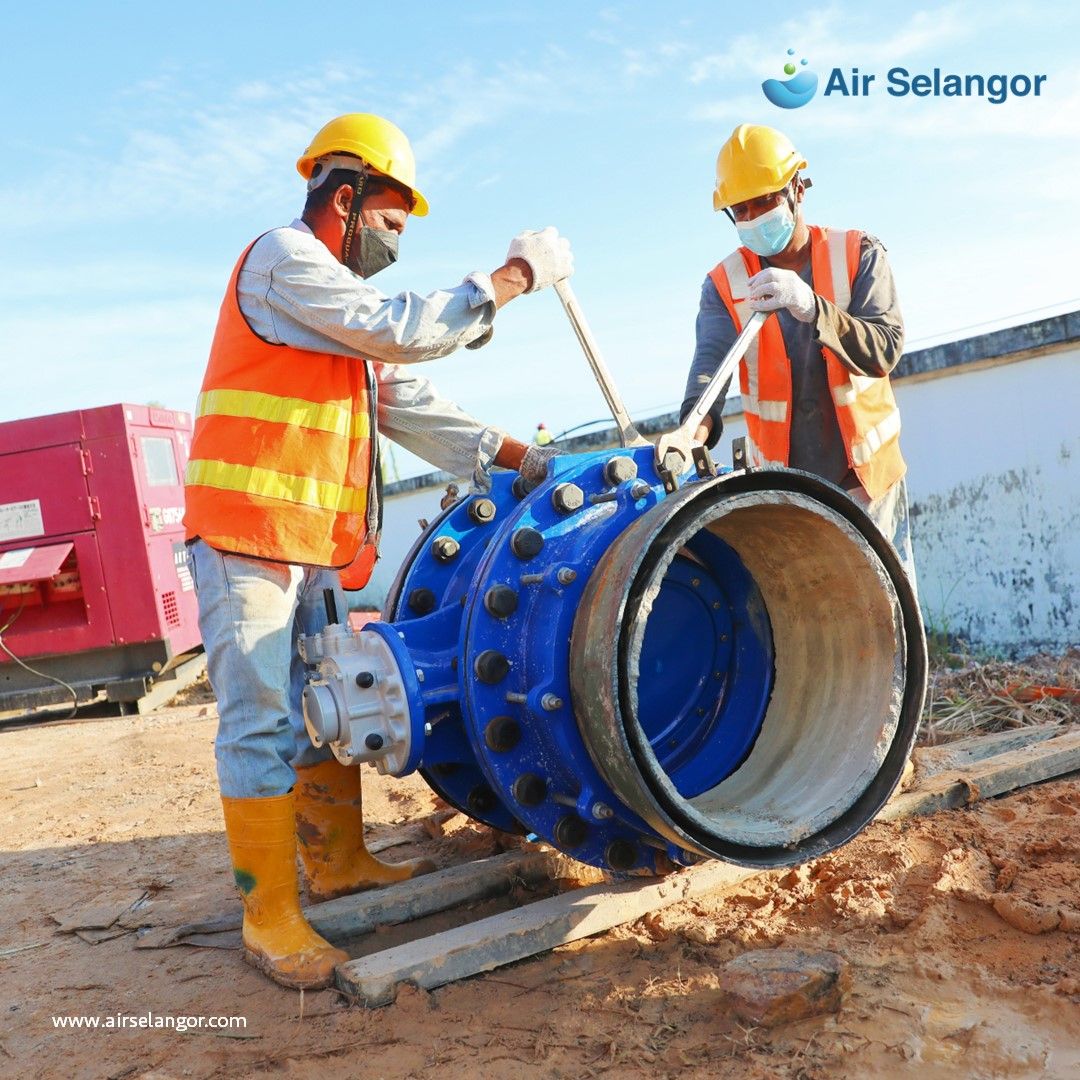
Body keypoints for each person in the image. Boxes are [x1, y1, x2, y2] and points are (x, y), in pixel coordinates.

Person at [183, 113, 571, 990]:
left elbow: (410, 402)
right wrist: (511, 279)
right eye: (392, 221)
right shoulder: (282, 261)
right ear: (346, 197)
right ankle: (268, 917)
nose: (395, 241)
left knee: (317, 702)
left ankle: (338, 864)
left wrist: (524, 460)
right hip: (246, 535)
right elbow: (403, 328)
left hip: (305, 541)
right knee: (259, 721)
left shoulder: (337, 321)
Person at [681, 123, 916, 586]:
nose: (753, 217)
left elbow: (885, 348)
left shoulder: (858, 253)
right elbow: (710, 368)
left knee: (889, 607)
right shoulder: (724, 284)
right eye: (741, 209)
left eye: (765, 201)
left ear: (797, 190)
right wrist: (691, 430)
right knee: (813, 617)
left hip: (867, 481)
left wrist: (813, 308)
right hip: (788, 495)